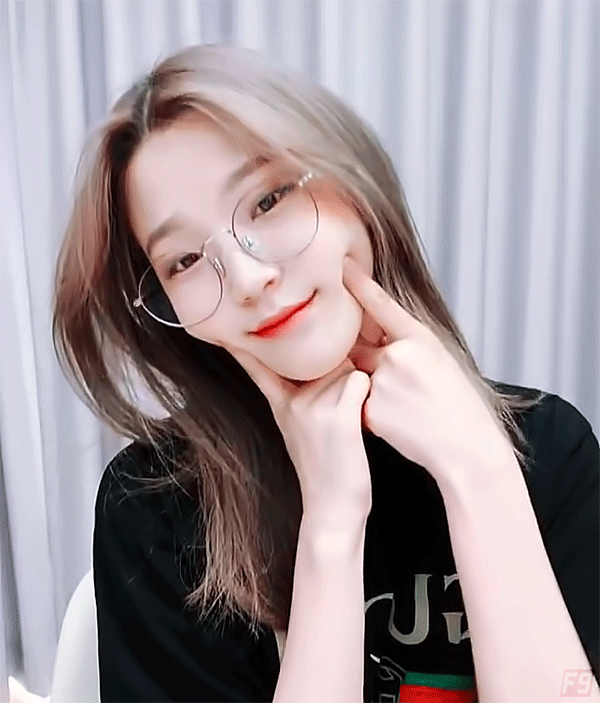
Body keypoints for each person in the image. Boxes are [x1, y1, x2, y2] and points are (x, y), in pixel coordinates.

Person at [52, 44, 599, 703]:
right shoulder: (155, 507)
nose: (248, 278)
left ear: (355, 186)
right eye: (185, 260)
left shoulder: (549, 449)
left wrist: (479, 473)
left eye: (267, 200)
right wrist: (331, 529)